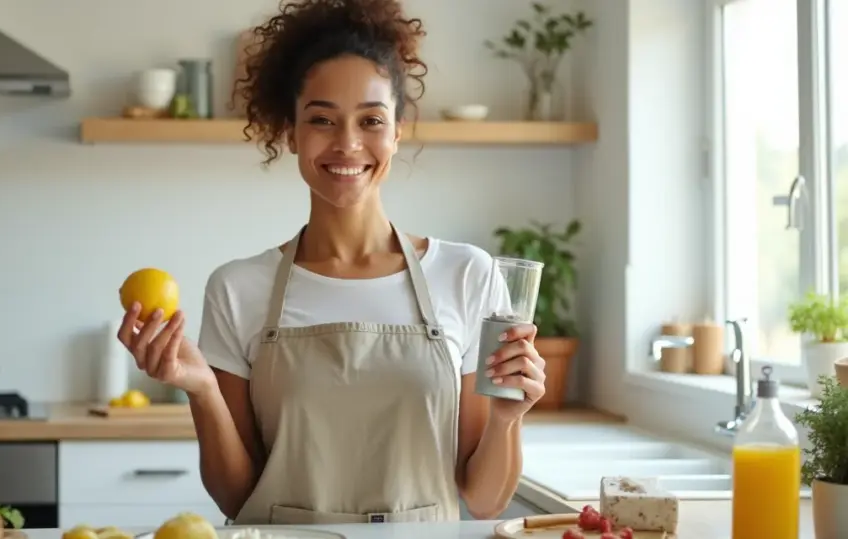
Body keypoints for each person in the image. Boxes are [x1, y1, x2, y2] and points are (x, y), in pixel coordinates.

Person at [116, 0, 548, 526]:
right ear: (291, 132)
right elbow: (236, 499)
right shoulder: (237, 288)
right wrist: (202, 388)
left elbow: (484, 501)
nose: (347, 143)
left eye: (371, 120)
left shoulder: (466, 275)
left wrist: (507, 418)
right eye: (322, 119)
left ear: (398, 131)